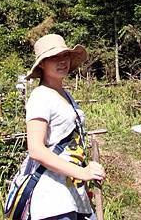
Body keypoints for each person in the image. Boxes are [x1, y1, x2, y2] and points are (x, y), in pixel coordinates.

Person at [25, 33, 105, 220]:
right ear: (42, 64)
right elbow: (36, 150)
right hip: (52, 197)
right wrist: (82, 173)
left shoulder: (66, 95)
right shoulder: (40, 96)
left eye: (65, 56)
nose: (62, 61)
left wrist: (86, 170)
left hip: (73, 193)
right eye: (54, 57)